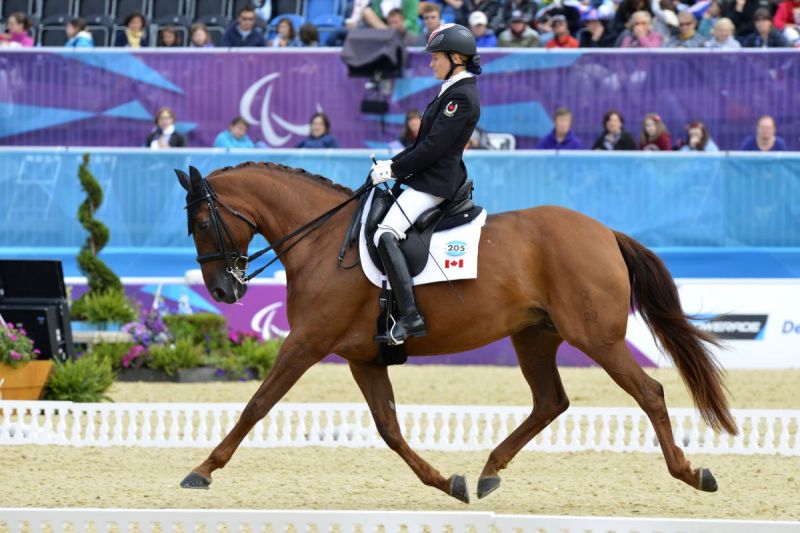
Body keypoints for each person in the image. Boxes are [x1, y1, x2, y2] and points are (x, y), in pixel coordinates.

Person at [369, 24, 481, 345]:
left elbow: (434, 148)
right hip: (427, 175)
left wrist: (395, 169)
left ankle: (410, 316)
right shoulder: (450, 89)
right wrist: (392, 165)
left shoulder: (461, 96)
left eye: (436, 58)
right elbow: (423, 144)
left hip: (435, 183)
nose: (431, 63)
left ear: (456, 57)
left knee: (385, 233)